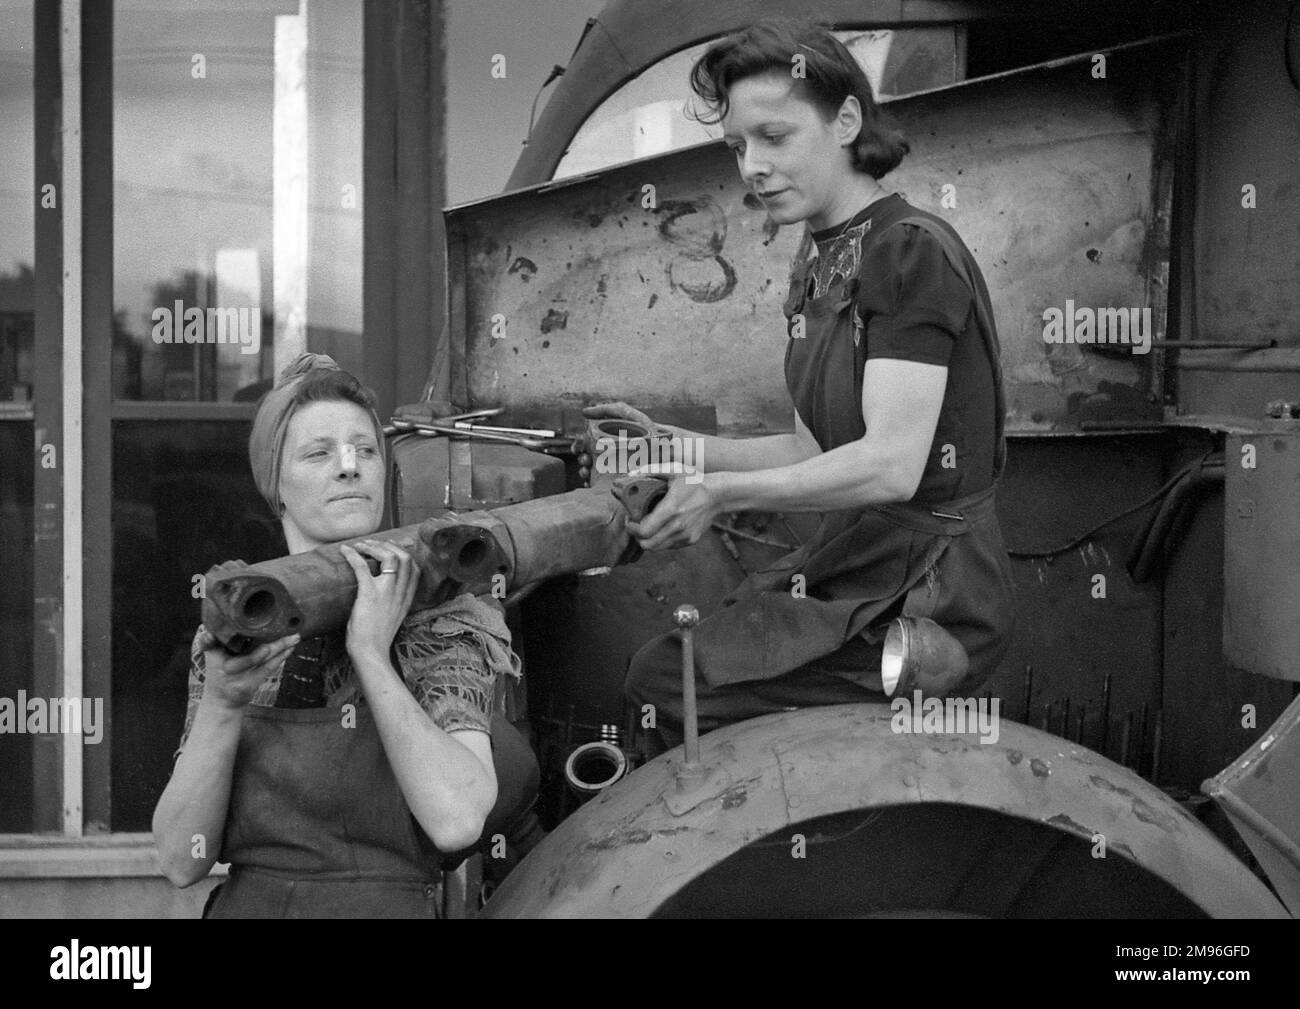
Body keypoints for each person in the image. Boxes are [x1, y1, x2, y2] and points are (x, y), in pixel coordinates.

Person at [586, 19, 1016, 754]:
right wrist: (674, 450)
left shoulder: (908, 251)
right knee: (667, 672)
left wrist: (720, 493)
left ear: (847, 120)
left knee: (668, 682)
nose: (751, 166)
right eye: (737, 147)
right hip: (865, 567)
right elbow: (808, 446)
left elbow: (889, 463)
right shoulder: (820, 259)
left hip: (930, 597)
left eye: (774, 137)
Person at [153, 353, 524, 917]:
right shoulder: (242, 628)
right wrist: (223, 705)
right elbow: (182, 860)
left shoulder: (444, 624)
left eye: (366, 450)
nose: (349, 467)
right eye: (319, 452)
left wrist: (371, 655)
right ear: (274, 484)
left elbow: (456, 820)